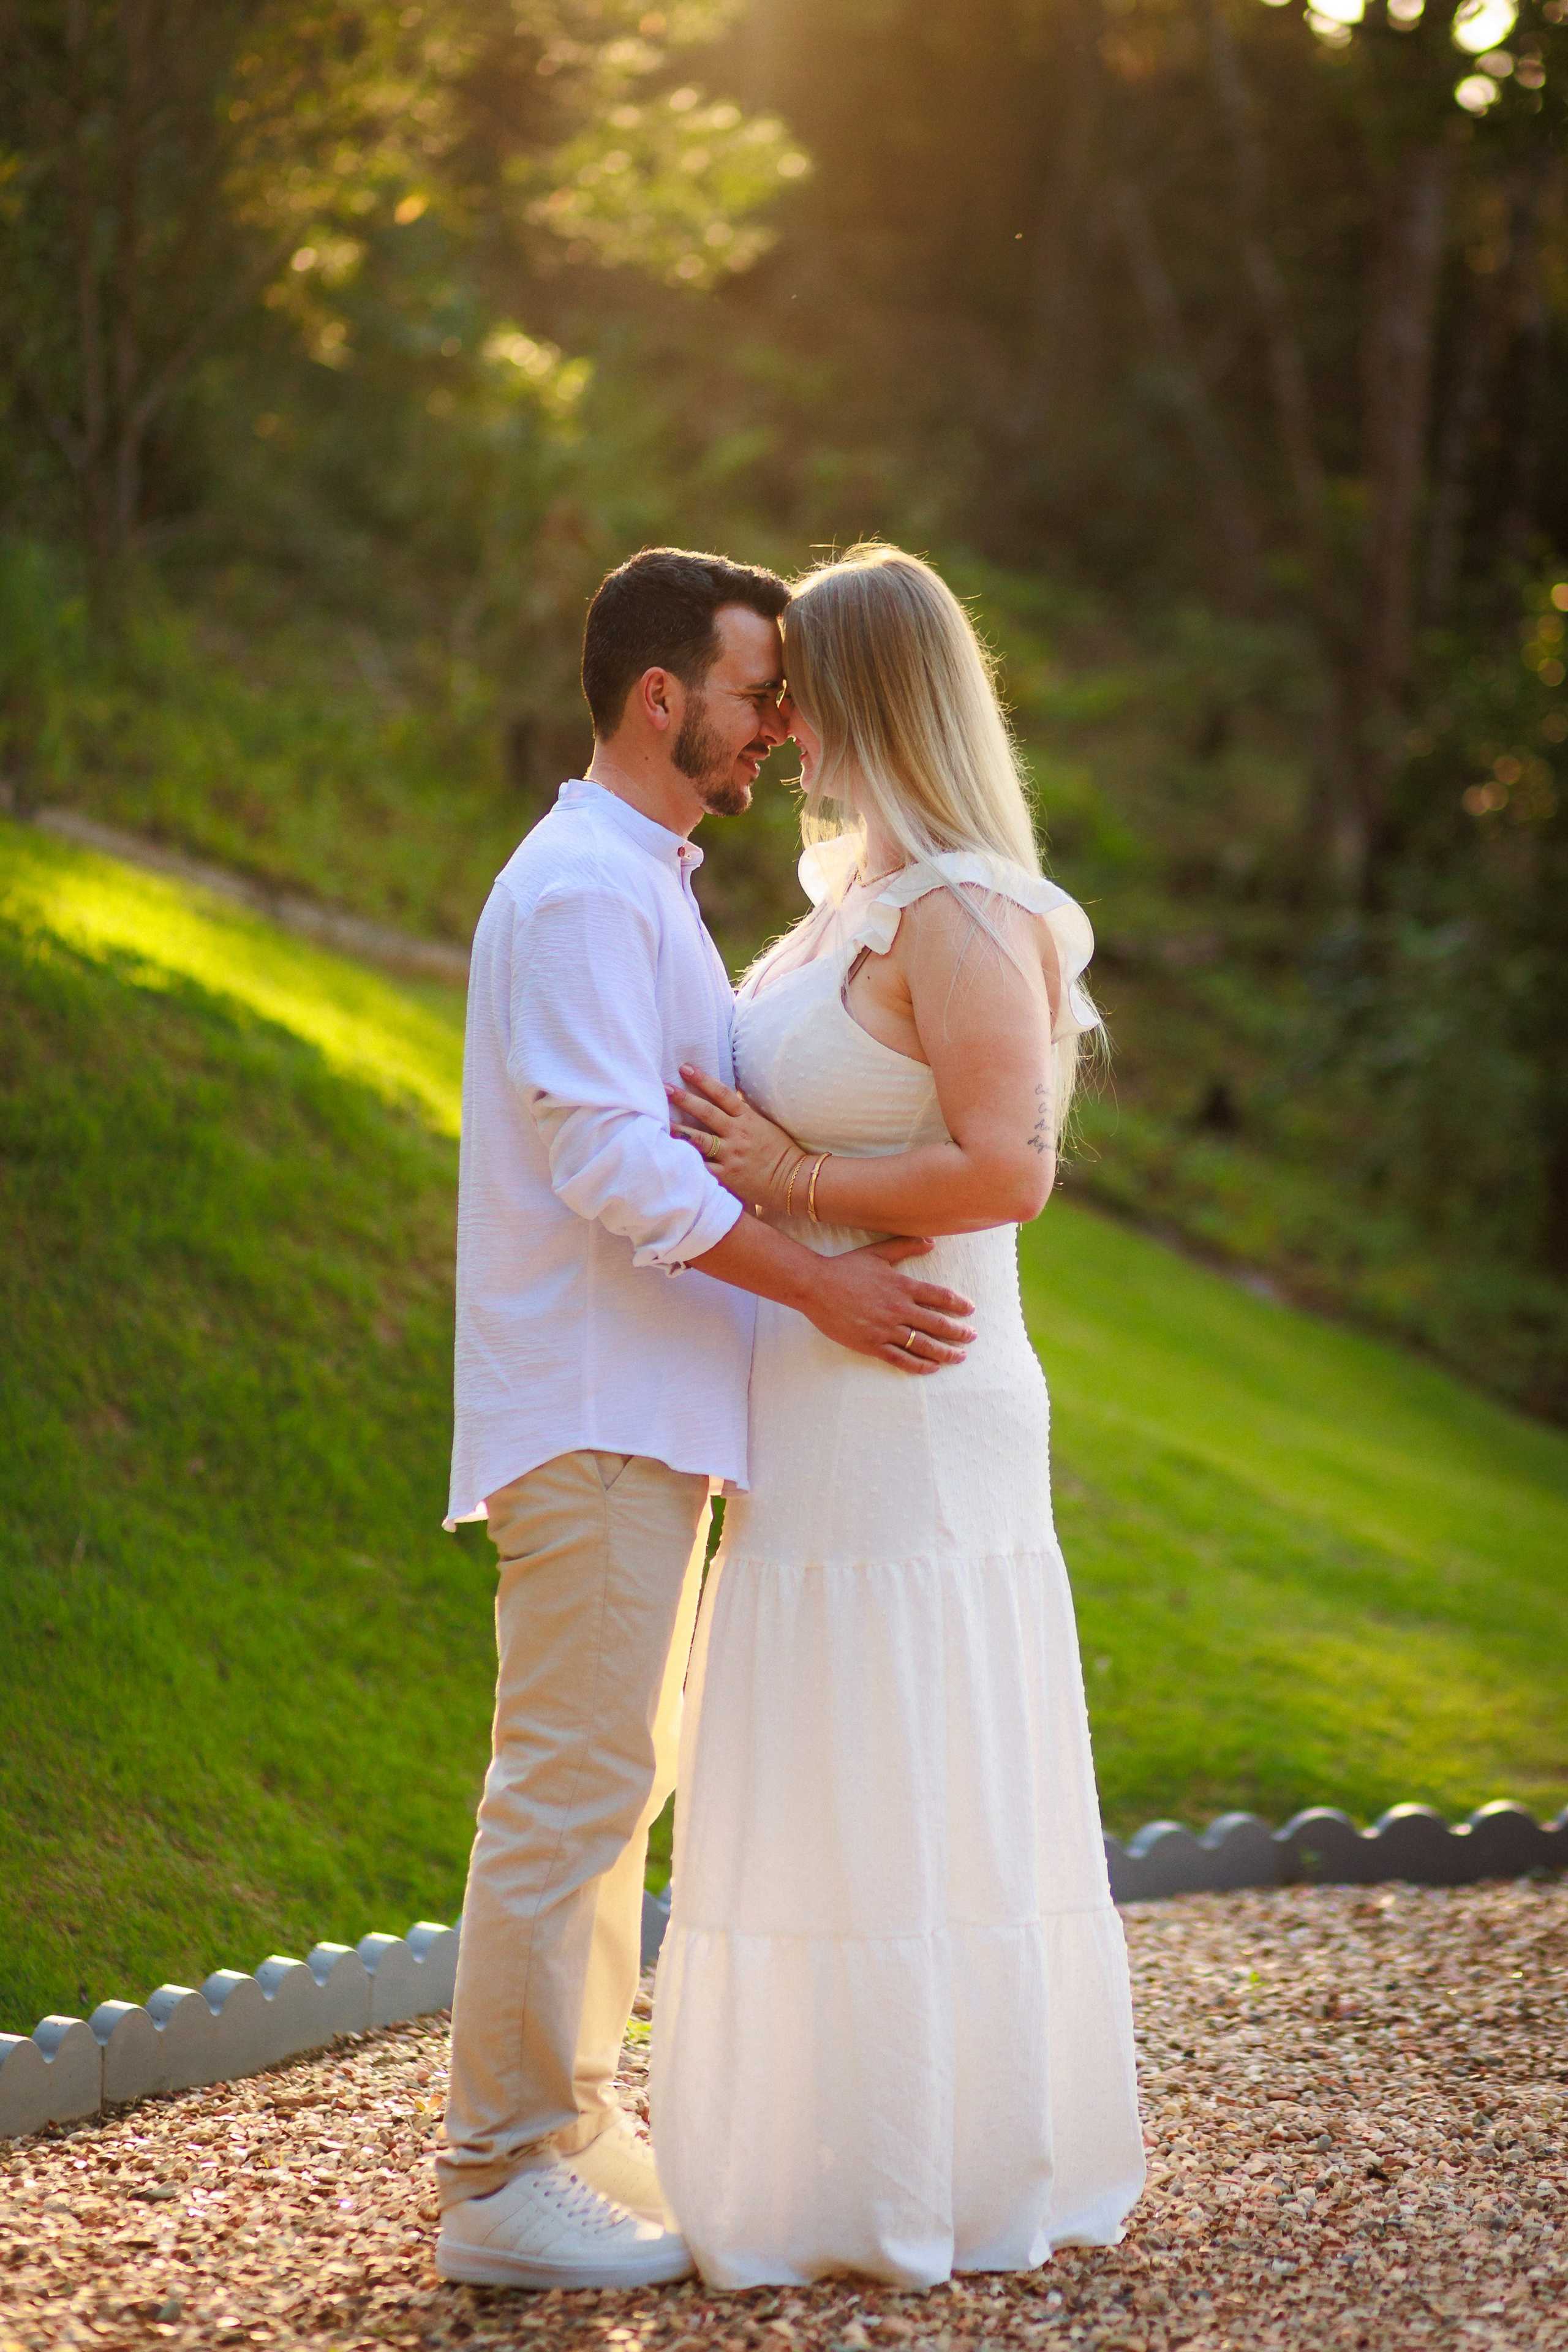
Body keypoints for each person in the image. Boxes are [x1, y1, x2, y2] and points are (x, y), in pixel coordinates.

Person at [435, 547, 979, 2293]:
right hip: (593, 1406)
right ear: (661, 697)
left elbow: (693, 1136)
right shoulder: (590, 892)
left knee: (613, 1780)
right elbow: (609, 1164)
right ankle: (499, 2175)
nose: (779, 730)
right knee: (570, 1782)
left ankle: (574, 2124)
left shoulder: (647, 880)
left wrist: (827, 1209)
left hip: (647, 1410)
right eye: (758, 695)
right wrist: (823, 1285)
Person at [651, 545, 1146, 2288]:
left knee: (912, 1755)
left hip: (916, 1397)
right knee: (827, 1769)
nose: (775, 724)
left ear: (870, 693)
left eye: (796, 690)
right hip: (811, 1391)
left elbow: (1012, 1165)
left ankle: (938, 2174)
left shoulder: (961, 903)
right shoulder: (843, 896)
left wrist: (794, 1172)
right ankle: (817, 2165)